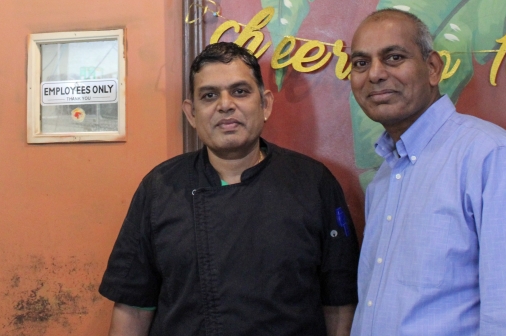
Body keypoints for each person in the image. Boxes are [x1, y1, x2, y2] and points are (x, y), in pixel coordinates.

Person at [99, 42, 359, 336]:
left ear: (265, 104)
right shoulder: (160, 188)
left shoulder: (313, 183)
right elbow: (133, 307)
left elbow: (339, 302)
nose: (225, 104)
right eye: (209, 95)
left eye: (240, 91)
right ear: (191, 113)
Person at [347, 9, 506, 336]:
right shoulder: (384, 179)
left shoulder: (492, 158)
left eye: (394, 58)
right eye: (360, 63)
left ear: (432, 68)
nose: (374, 74)